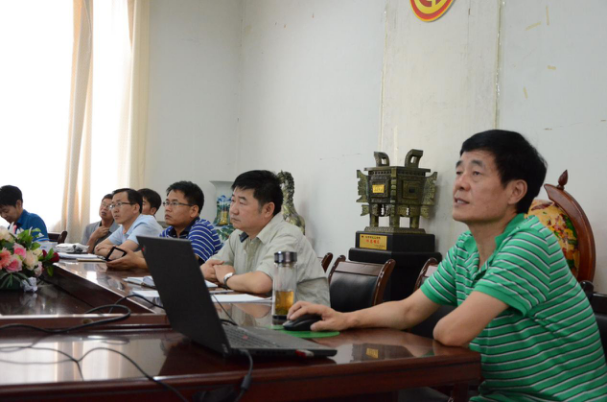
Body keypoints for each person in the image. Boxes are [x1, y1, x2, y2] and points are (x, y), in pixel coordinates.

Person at [288, 130, 607, 400]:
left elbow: (451, 332)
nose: (460, 184)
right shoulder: (467, 248)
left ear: (515, 191)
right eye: (459, 172)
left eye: (476, 174)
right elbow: (408, 310)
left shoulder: (529, 244)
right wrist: (343, 318)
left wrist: (442, 328)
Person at [201, 170, 330, 306]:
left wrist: (227, 278)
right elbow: (212, 268)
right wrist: (204, 271)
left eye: (242, 203)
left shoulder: (287, 236)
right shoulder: (238, 235)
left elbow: (261, 283)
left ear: (268, 209)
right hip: (260, 314)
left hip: (302, 317)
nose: (233, 209)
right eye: (233, 201)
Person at [106, 181, 221, 270]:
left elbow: (186, 264)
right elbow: (146, 253)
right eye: (167, 203)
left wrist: (137, 262)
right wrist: (127, 258)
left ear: (193, 210)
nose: (167, 208)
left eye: (174, 203)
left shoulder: (201, 228)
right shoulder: (169, 231)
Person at [94, 188, 163, 258]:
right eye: (113, 205)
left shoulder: (146, 223)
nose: (115, 210)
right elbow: (97, 249)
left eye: (119, 204)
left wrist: (112, 249)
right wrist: (113, 250)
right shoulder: (123, 227)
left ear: (135, 208)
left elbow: (117, 254)